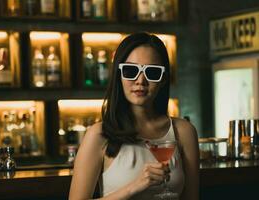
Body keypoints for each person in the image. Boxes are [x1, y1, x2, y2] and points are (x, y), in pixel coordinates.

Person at [69, 32, 199, 200]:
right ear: (119, 75)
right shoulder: (98, 135)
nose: (140, 80)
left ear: (163, 79)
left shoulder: (184, 132)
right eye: (131, 70)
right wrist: (135, 186)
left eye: (152, 72)